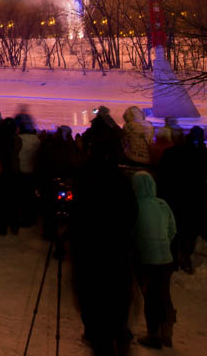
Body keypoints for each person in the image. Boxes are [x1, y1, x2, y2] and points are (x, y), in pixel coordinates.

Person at [70, 141, 137, 356]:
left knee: (92, 296)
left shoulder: (83, 178)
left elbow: (76, 214)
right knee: (116, 292)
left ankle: (99, 337)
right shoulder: (121, 180)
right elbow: (131, 213)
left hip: (89, 250)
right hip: (117, 249)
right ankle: (119, 330)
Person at [156, 127, 207, 274]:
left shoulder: (170, 154)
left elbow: (161, 175)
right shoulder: (202, 154)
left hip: (173, 199)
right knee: (189, 230)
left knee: (174, 230)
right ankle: (185, 257)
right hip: (193, 199)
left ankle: (174, 260)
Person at [132, 172, 177, 349]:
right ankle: (167, 332)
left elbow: (131, 231)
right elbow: (173, 229)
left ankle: (153, 335)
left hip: (145, 259)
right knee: (164, 294)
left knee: (150, 296)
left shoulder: (135, 206)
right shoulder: (163, 204)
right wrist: (163, 243)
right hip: (165, 259)